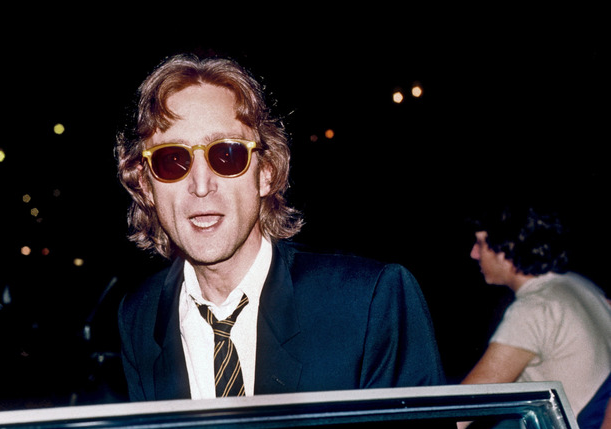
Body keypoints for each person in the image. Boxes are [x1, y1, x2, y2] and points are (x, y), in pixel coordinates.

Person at [115, 53, 446, 403]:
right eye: (172, 160)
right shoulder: (140, 315)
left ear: (266, 172)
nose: (200, 184)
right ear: (145, 185)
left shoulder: (369, 303)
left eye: (227, 155)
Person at [461, 204, 611, 429]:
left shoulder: (534, 309)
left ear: (506, 248)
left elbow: (465, 405)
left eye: (480, 243)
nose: (473, 253)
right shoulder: (577, 284)